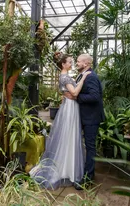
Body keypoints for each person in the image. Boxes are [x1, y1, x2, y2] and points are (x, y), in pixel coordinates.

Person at [29, 52, 90, 189]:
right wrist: (83, 78)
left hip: (69, 107)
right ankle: (66, 169)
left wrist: (70, 94)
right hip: (70, 108)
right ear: (63, 64)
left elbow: (70, 94)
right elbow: (74, 93)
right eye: (69, 62)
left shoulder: (65, 77)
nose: (71, 64)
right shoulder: (65, 78)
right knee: (69, 136)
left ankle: (67, 167)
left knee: (68, 136)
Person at [65, 54, 105, 190]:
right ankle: (84, 171)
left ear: (86, 63)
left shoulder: (91, 77)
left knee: (90, 147)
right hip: (85, 117)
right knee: (85, 145)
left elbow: (95, 96)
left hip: (91, 118)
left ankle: (88, 178)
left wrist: (77, 97)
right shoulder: (83, 75)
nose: (76, 63)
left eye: (78, 61)